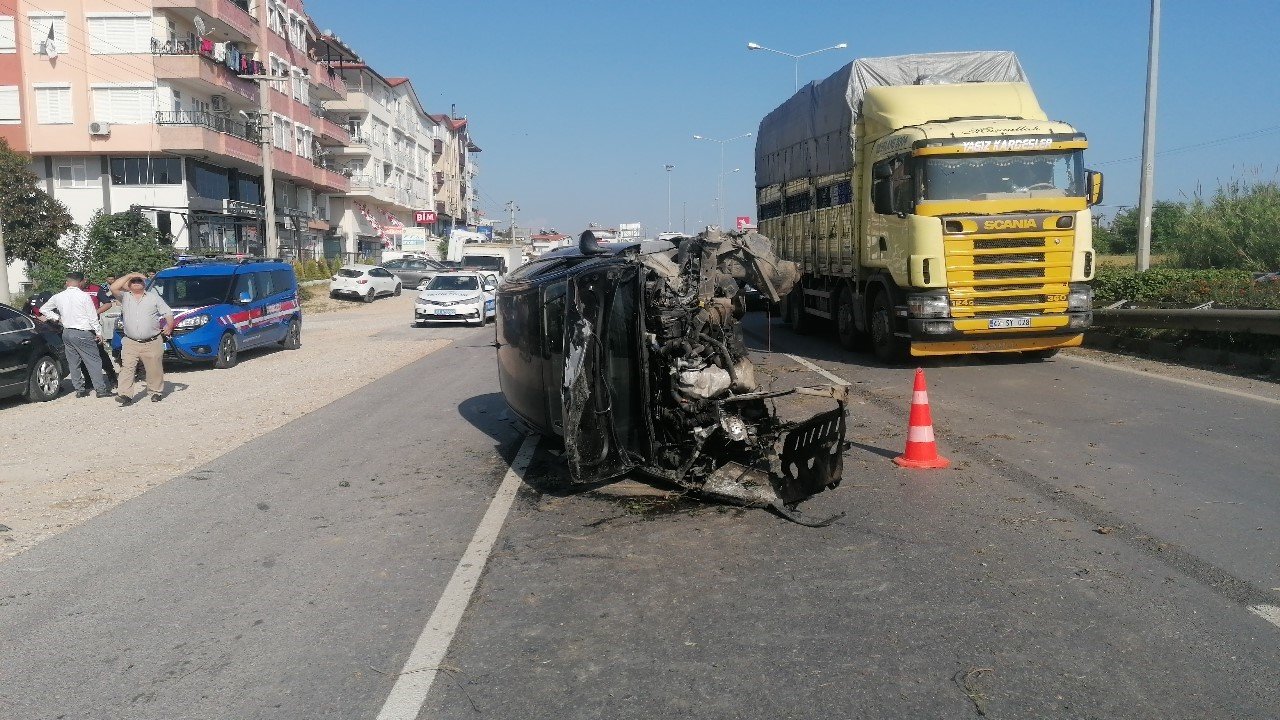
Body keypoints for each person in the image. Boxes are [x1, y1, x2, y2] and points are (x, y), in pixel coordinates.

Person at [38, 272, 110, 398]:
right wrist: (98, 332)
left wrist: (57, 318)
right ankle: (100, 389)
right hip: (83, 331)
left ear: (68, 282)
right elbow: (92, 316)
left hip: (67, 331)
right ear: (81, 282)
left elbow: (43, 309)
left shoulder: (58, 296)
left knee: (73, 362)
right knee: (93, 361)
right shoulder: (83, 296)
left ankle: (79, 389)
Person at [110, 272, 174, 405]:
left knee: (154, 368)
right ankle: (125, 394)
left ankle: (155, 392)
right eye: (133, 281)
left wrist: (169, 325)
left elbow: (167, 312)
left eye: (139, 280)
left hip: (152, 340)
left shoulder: (154, 298)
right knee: (127, 368)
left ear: (144, 284)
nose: (136, 282)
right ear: (128, 285)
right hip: (130, 341)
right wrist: (129, 275)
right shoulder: (124, 297)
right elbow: (113, 288)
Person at [80, 275, 119, 389]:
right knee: (81, 356)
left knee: (100, 353)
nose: (85, 281)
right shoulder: (75, 291)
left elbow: (108, 303)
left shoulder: (96, 289)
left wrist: (96, 312)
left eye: (86, 279)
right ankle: (88, 380)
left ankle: (112, 377)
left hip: (93, 325)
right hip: (78, 325)